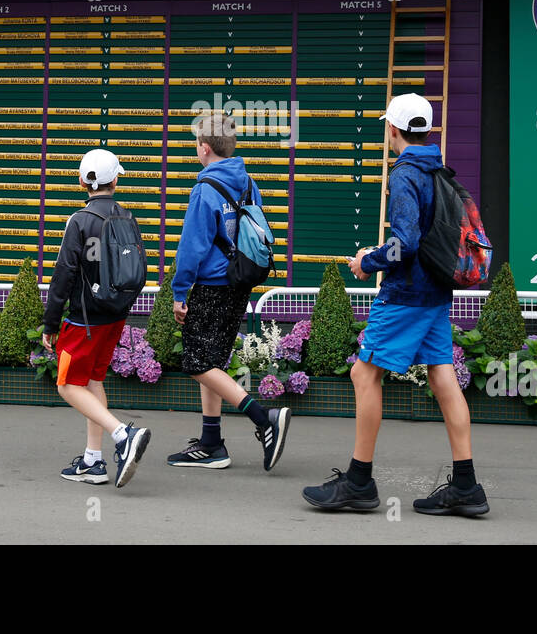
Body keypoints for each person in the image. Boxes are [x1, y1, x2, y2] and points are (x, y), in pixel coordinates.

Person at [301, 93, 488, 516]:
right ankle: (465, 486)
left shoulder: (404, 172)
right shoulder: (437, 167)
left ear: (393, 129)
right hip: (437, 291)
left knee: (363, 374)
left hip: (406, 295)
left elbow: (405, 244)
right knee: (443, 377)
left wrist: (367, 261)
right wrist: (383, 250)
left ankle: (359, 482)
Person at [167, 112, 291, 470]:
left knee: (196, 362)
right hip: (240, 284)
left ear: (204, 148)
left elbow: (192, 246)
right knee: (213, 362)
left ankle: (263, 417)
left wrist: (179, 291)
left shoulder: (205, 189)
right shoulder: (248, 182)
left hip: (211, 286)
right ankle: (211, 444)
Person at [42, 148, 151, 488]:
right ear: (115, 180)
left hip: (83, 320)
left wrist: (50, 322)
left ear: (81, 181)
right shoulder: (126, 216)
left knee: (67, 385)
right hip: (114, 316)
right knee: (92, 382)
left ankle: (123, 434)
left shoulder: (79, 220)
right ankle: (93, 461)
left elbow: (64, 274)